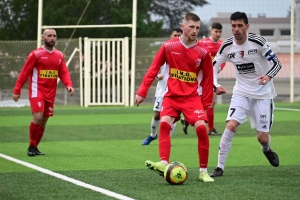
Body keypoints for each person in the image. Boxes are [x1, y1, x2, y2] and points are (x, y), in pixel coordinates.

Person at [135, 12, 215, 182]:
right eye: (191, 27)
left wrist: (205, 104)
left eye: (197, 28)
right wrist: (142, 92)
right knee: (164, 124)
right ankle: (164, 163)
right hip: (171, 96)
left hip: (192, 98)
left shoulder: (203, 52)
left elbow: (208, 80)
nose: (195, 31)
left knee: (201, 128)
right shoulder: (168, 47)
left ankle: (203, 172)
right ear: (183, 26)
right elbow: (153, 69)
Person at [210, 12, 282, 177]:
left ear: (247, 27)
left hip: (263, 94)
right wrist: (215, 85)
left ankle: (267, 149)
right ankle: (219, 167)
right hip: (241, 93)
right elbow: (212, 67)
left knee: (262, 138)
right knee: (230, 126)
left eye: (240, 25)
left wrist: (268, 75)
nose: (236, 29)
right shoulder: (227, 46)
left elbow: (276, 64)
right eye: (233, 25)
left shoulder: (258, 42)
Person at [12, 28, 74, 156]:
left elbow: (63, 72)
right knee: (38, 116)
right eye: (49, 35)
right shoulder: (36, 54)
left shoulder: (59, 55)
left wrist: (69, 85)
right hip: (37, 91)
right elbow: (25, 72)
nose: (52, 38)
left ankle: (35, 147)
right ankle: (30, 146)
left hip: (51, 92)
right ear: (43, 37)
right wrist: (17, 90)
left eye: (54, 36)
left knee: (44, 120)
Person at [181, 22, 225, 135]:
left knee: (208, 102)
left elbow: (223, 60)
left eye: (220, 32)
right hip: (202, 77)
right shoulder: (203, 43)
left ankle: (188, 119)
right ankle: (209, 129)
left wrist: (220, 67)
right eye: (216, 31)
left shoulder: (222, 45)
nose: (218, 34)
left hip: (212, 76)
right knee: (210, 102)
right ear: (211, 31)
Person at [142, 28, 183, 145]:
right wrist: (157, 76)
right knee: (157, 114)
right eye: (175, 35)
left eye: (179, 36)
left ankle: (167, 140)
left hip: (177, 90)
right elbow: (153, 68)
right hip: (162, 89)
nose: (177, 38)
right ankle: (153, 135)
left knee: (173, 116)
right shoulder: (164, 49)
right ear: (171, 36)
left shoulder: (185, 52)